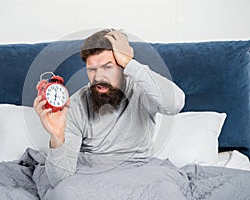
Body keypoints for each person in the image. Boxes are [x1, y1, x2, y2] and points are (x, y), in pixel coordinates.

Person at [33, 28, 185, 187]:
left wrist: (130, 63)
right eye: (92, 69)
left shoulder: (143, 89)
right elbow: (59, 179)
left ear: (123, 67)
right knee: (64, 193)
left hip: (140, 172)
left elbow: (175, 104)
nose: (98, 77)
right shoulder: (76, 105)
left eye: (107, 67)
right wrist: (57, 137)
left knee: (165, 191)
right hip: (93, 176)